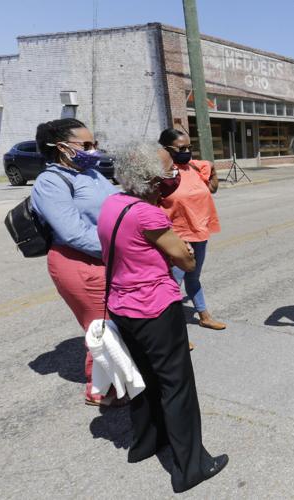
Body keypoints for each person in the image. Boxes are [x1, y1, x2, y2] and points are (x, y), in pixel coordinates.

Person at [97, 141, 227, 493]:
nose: (173, 174)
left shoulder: (112, 203)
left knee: (143, 378)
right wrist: (180, 250)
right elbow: (186, 261)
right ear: (152, 178)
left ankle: (146, 443)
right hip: (155, 309)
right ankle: (192, 467)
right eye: (168, 169)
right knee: (177, 385)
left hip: (123, 307)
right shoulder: (149, 214)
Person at [30, 118, 120, 406]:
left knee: (115, 323)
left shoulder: (91, 173)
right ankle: (99, 389)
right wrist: (122, 248)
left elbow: (118, 203)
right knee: (101, 327)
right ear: (62, 147)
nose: (94, 150)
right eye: (87, 145)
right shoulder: (50, 182)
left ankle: (119, 377)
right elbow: (73, 233)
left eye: (95, 144)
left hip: (107, 257)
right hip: (79, 263)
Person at [157, 129, 225, 331]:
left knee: (194, 277)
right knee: (172, 284)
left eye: (189, 147)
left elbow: (212, 189)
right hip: (175, 237)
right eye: (181, 148)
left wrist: (213, 171)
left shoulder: (194, 167)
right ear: (166, 149)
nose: (187, 151)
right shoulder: (162, 174)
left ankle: (204, 316)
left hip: (199, 232)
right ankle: (172, 332)